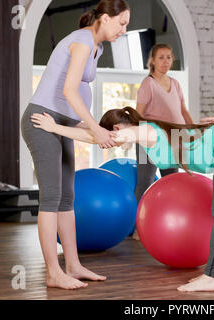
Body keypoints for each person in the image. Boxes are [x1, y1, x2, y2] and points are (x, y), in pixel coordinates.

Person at [29, 106, 214, 292]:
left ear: (117, 128)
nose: (112, 143)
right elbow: (93, 131)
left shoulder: (142, 132)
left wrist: (54, 127)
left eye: (111, 135)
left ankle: (211, 277)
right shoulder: (149, 130)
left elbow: (93, 137)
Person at [20, 0, 130, 290]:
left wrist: (88, 127)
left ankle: (74, 264)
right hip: (42, 121)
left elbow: (72, 96)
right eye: (122, 23)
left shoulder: (98, 46)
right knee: (52, 197)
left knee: (67, 198)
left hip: (62, 124)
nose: (124, 29)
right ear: (105, 18)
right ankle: (53, 273)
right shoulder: (82, 41)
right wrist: (94, 127)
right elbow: (69, 90)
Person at [133, 44, 194, 236]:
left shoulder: (175, 83)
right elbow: (138, 115)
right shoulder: (148, 83)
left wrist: (193, 130)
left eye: (168, 57)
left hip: (173, 139)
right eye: (161, 57)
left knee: (171, 181)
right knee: (145, 181)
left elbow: (183, 111)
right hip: (150, 139)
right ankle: (135, 227)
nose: (165, 61)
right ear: (152, 60)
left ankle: (170, 223)